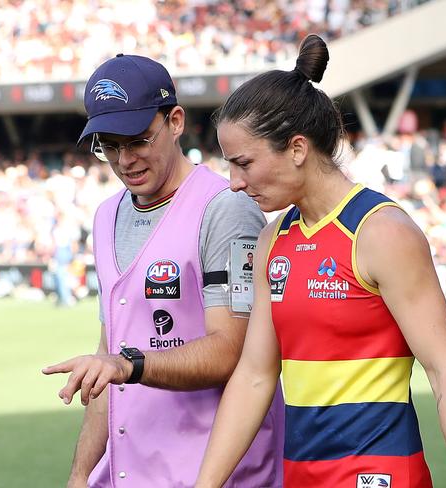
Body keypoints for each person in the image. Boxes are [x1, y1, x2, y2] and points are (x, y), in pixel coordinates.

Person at [195, 35, 446, 488]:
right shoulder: (273, 239)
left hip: (380, 473)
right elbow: (254, 376)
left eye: (243, 163)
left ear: (296, 148)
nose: (233, 182)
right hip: (302, 474)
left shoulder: (382, 232)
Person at [42, 54, 283, 487]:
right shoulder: (105, 215)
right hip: (132, 473)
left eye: (137, 140)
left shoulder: (225, 207)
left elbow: (235, 350)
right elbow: (107, 355)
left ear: (174, 122)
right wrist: (80, 475)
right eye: (108, 146)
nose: (124, 160)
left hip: (216, 474)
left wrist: (127, 365)